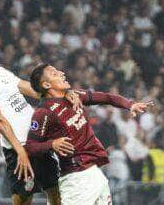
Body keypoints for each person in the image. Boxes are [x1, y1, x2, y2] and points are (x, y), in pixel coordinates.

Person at [0, 36, 80, 204]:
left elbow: (25, 87)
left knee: (55, 190)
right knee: (23, 198)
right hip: (19, 148)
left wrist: (57, 94)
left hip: (38, 139)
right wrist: (21, 152)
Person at [25, 63, 153, 205]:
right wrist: (52, 144)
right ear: (47, 85)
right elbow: (30, 147)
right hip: (76, 179)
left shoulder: (74, 95)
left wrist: (130, 105)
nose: (61, 73)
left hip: (95, 174)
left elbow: (106, 98)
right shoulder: (43, 112)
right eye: (54, 73)